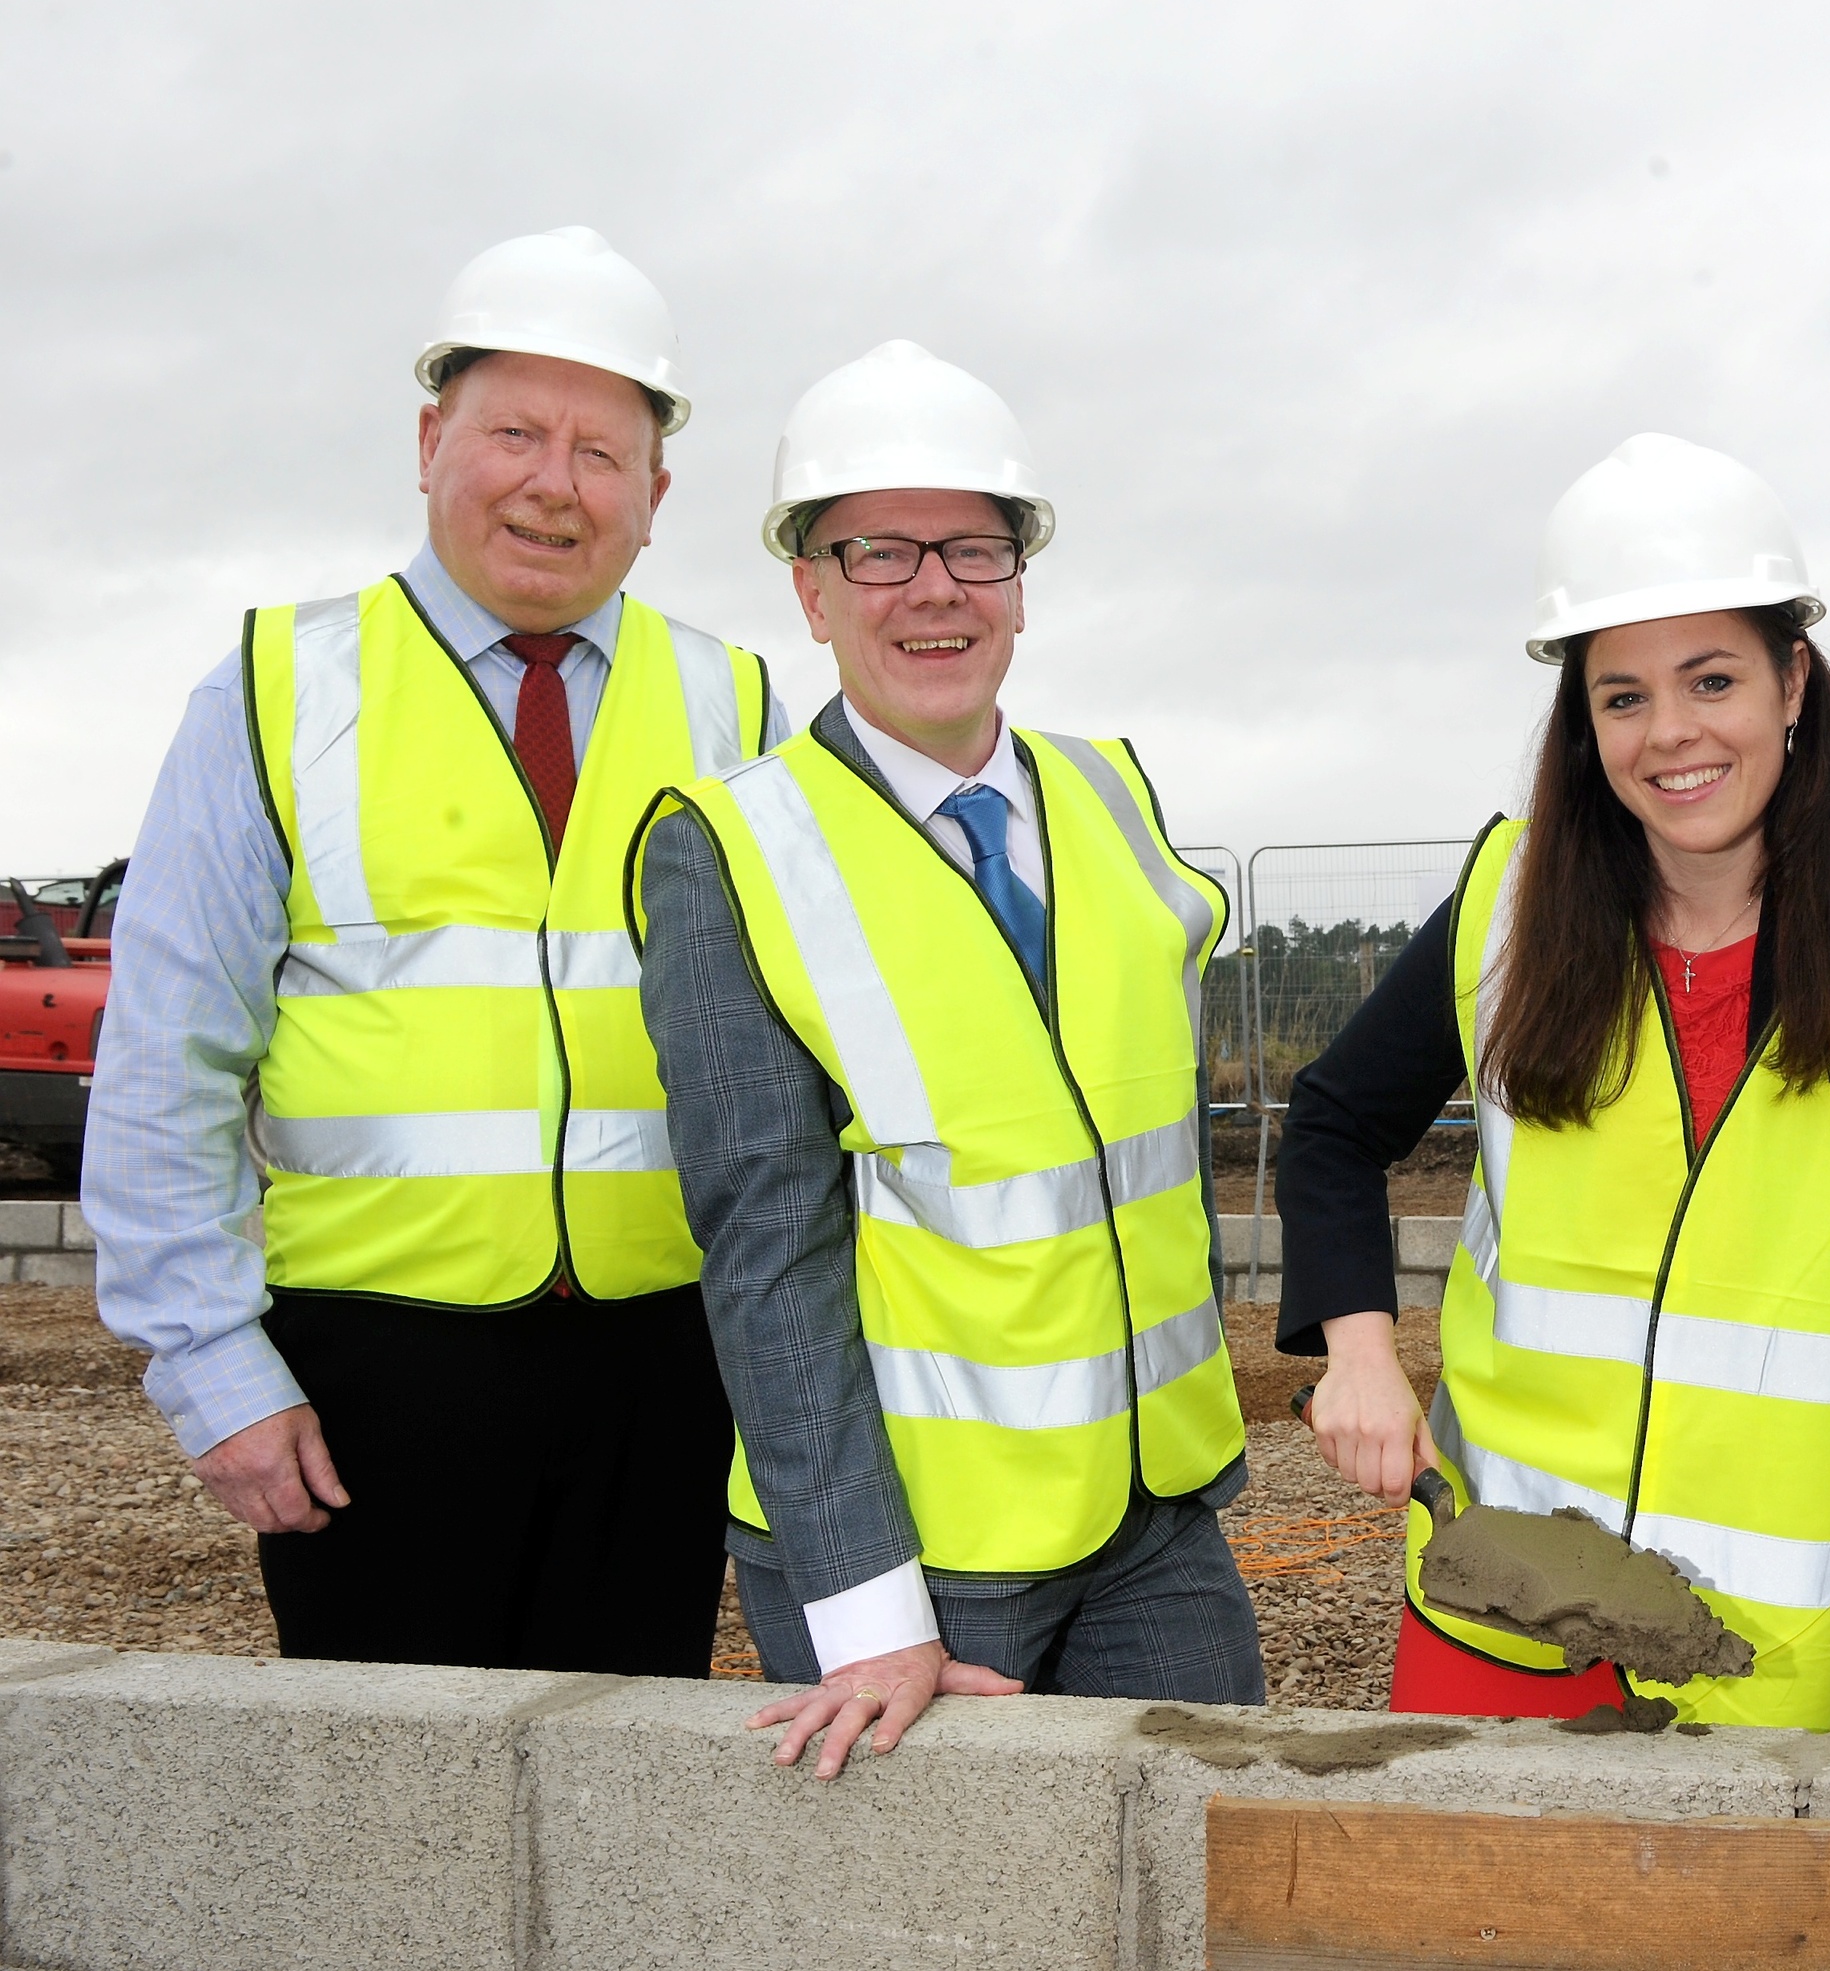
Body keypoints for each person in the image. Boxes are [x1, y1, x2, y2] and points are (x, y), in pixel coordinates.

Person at [83, 227, 775, 1674]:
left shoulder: (739, 709)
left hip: (665, 1366)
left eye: (600, 451)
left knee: (623, 1788)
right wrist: (214, 1372)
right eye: (513, 432)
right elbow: (167, 1058)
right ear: (426, 441)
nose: (552, 484)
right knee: (387, 1825)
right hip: (368, 1374)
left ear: (656, 493)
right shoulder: (277, 690)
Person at [1281, 434, 1830, 1746]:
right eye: (1622, 696)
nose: (1672, 733)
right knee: (1468, 1947)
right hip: (1502, 1604)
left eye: (1711, 680)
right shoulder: (1511, 913)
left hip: (1767, 1644)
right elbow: (1334, 1129)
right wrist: (1355, 1346)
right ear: (1582, 720)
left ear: (1792, 680)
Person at [631, 341, 1262, 1780]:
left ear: (1023, 579)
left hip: (1151, 1514)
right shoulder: (730, 848)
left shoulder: (1109, 794)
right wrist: (864, 1606)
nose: (936, 590)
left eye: (976, 548)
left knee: (1214, 1890)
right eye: (880, 552)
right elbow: (766, 1254)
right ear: (810, 587)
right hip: (920, 1552)